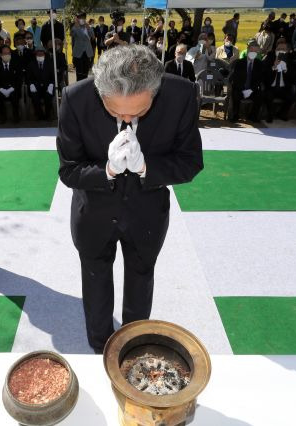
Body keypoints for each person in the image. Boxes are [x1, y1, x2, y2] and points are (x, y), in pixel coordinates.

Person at [56, 45, 203, 354]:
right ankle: (101, 347)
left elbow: (190, 163)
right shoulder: (75, 98)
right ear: (99, 93)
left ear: (155, 90)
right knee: (95, 283)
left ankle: (133, 345)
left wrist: (146, 167)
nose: (126, 118)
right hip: (94, 213)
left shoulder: (181, 95)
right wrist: (107, 170)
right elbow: (69, 171)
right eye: (115, 112)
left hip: (146, 213)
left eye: (138, 112)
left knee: (140, 279)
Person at [262, 38, 293, 122]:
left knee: (290, 97)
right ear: (275, 49)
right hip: (271, 86)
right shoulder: (270, 56)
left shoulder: (290, 59)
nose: (281, 51)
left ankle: (281, 113)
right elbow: (264, 73)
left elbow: (293, 76)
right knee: (268, 96)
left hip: (284, 87)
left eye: (283, 49)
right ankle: (270, 114)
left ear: (287, 50)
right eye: (279, 49)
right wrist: (273, 67)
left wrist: (286, 70)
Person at [0, 45, 22, 123]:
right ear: (1, 55)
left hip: (13, 88)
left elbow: (19, 79)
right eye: (5, 53)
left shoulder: (16, 63)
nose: (7, 55)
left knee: (15, 96)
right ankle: (3, 116)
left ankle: (16, 116)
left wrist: (11, 88)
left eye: (8, 53)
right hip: (1, 89)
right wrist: (1, 89)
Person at [26, 47, 55, 120]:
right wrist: (31, 85)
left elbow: (53, 77)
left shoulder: (50, 64)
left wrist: (51, 85)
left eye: (42, 54)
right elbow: (28, 78)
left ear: (45, 55)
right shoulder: (31, 64)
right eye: (38, 54)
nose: (40, 55)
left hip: (47, 86)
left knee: (48, 96)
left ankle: (48, 115)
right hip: (36, 86)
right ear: (35, 55)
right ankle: (40, 114)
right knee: (35, 96)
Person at [72, 12, 95, 82]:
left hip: (87, 53)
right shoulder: (74, 27)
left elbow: (93, 36)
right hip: (78, 53)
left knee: (85, 73)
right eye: (80, 18)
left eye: (83, 18)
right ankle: (78, 89)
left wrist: (89, 28)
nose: (82, 19)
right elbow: (80, 35)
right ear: (78, 19)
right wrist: (77, 25)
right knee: (79, 74)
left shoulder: (88, 27)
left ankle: (84, 89)